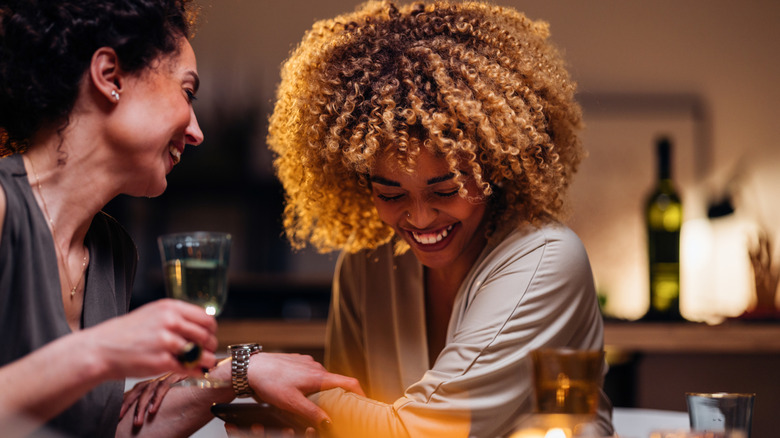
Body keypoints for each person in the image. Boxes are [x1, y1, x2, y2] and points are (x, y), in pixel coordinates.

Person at [0, 1, 360, 437]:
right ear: (109, 76)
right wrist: (101, 352)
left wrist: (234, 377)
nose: (197, 131)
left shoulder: (113, 251)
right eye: (186, 93)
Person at [264, 1, 615, 436]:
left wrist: (258, 383)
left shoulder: (546, 260)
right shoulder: (366, 266)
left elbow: (414, 431)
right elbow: (339, 430)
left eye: (445, 190)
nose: (419, 217)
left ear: (494, 165)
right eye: (390, 193)